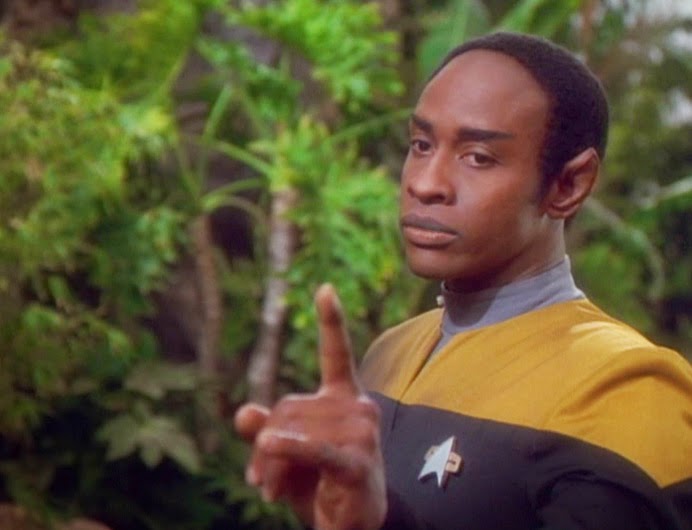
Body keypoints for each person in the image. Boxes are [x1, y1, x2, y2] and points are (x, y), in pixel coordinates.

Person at [234, 32, 692, 530]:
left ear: (568, 185)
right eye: (421, 145)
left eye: (478, 157)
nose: (425, 183)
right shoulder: (391, 352)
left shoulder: (625, 392)